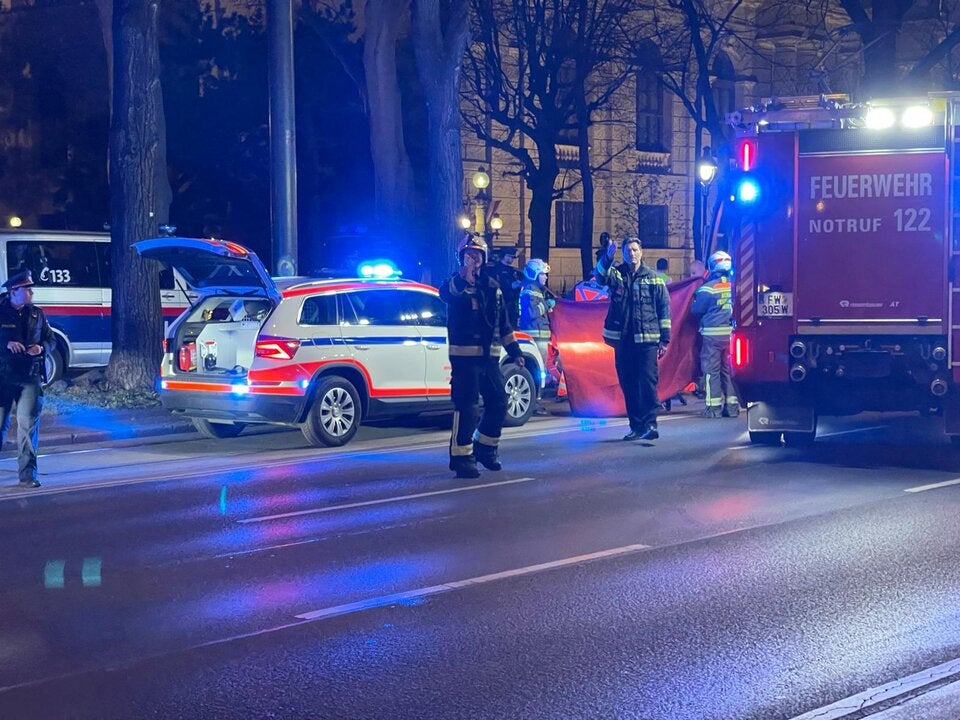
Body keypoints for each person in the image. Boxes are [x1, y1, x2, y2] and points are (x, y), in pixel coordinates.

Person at [439, 235, 525, 479]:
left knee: (499, 402)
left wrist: (515, 351)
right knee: (467, 407)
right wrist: (463, 276)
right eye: (468, 254)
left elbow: (503, 324)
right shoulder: (455, 284)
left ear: (484, 258)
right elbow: (446, 294)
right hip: (464, 359)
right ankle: (461, 458)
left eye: (477, 255)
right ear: (461, 257)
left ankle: (485, 448)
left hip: (489, 359)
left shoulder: (492, 287)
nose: (473, 258)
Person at [595, 236, 671, 441]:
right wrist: (607, 257)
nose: (632, 253)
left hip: (647, 341)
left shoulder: (654, 278)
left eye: (635, 250)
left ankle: (650, 424)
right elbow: (600, 277)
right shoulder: (617, 275)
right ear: (623, 254)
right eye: (628, 250)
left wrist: (665, 340)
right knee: (628, 383)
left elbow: (664, 310)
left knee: (647, 382)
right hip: (623, 340)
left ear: (641, 252)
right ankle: (636, 426)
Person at [0, 271, 55, 488]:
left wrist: (41, 348)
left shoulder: (37, 314)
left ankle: (27, 475)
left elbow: (51, 340)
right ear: (14, 292)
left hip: (30, 377)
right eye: (27, 289)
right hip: (3, 377)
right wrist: (5, 345)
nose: (31, 292)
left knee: (28, 426)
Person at [691, 250, 739, 418]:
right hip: (732, 336)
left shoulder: (707, 289)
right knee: (729, 371)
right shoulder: (736, 285)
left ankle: (713, 408)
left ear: (712, 266)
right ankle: (732, 407)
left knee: (712, 371)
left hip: (712, 335)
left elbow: (696, 310)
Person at [486, 245, 523, 327]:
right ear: (503, 255)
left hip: (512, 305)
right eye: (509, 256)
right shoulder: (495, 269)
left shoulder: (513, 271)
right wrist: (511, 285)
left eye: (513, 257)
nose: (511, 259)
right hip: (500, 305)